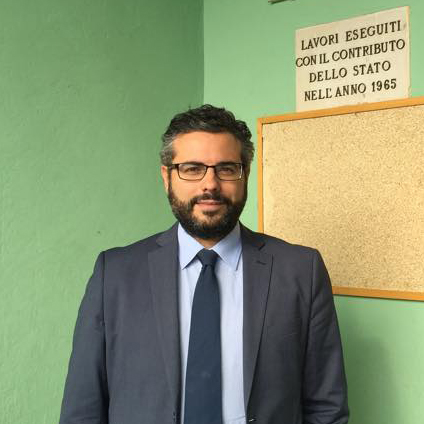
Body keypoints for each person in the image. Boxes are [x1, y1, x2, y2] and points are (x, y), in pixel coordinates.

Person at [59, 105, 349, 424]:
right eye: (192, 168)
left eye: (226, 168)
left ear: (245, 174)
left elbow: (326, 407)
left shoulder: (300, 271)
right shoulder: (114, 274)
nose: (210, 184)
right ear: (166, 177)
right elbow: (83, 409)